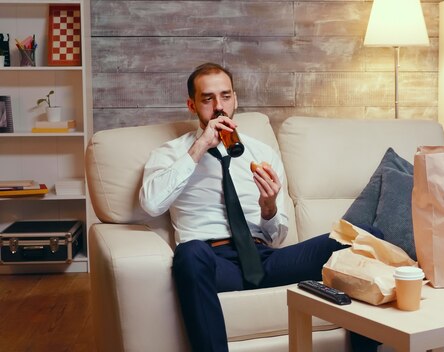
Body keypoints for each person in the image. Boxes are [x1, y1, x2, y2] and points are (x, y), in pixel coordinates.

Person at [139, 63, 379, 352]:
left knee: (357, 240)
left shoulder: (261, 153)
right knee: (190, 254)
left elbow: (276, 237)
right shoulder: (172, 154)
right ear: (192, 105)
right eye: (208, 99)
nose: (219, 107)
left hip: (262, 258)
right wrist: (200, 146)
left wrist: (269, 209)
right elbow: (151, 204)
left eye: (225, 96)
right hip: (212, 261)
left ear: (235, 99)